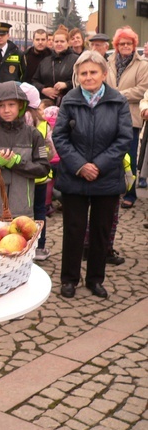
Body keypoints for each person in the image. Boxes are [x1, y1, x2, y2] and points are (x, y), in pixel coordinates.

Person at [52, 51, 132, 299]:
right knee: (74, 230)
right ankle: (69, 279)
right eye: (83, 73)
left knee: (101, 230)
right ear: (77, 75)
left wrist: (98, 165)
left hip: (106, 177)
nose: (88, 77)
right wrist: (80, 165)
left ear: (104, 74)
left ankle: (95, 279)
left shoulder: (118, 100)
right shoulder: (70, 100)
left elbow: (124, 138)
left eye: (93, 72)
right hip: (75, 176)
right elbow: (60, 137)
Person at [0, 82, 50, 218]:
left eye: (11, 105)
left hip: (22, 211)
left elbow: (43, 169)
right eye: (1, 105)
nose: (6, 110)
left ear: (20, 105)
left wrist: (18, 162)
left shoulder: (34, 135)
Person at [106, 26, 148, 209]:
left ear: (134, 45)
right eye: (122, 43)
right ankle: (113, 189)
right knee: (109, 154)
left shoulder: (142, 65)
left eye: (129, 43)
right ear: (116, 45)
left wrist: (118, 94)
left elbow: (142, 89)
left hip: (130, 116)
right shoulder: (108, 62)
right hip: (107, 116)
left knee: (129, 156)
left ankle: (130, 193)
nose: (125, 46)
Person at [19, 83, 55, 261]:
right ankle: (39, 247)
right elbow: (51, 152)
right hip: (40, 177)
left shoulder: (16, 121)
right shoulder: (43, 124)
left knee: (21, 212)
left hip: (20, 177)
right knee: (39, 212)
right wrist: (40, 160)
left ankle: (20, 244)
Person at [32, 25, 77, 106]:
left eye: (62, 41)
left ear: (68, 43)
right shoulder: (45, 61)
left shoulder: (76, 60)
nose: (59, 44)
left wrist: (66, 84)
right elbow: (35, 81)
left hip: (69, 102)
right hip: (47, 104)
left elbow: (80, 81)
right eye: (56, 41)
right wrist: (43, 89)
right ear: (52, 43)